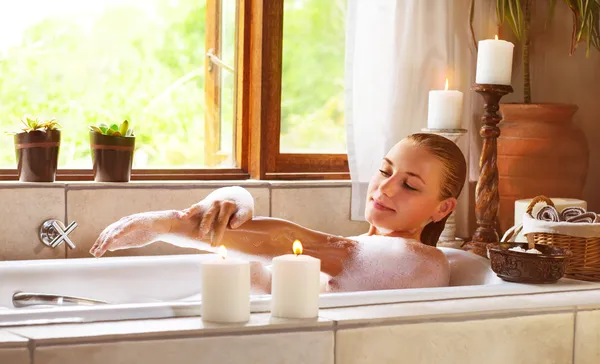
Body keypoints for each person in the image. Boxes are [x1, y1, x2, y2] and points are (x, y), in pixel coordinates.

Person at [90, 133, 467, 293]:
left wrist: (168, 223)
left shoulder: (422, 263)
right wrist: (234, 201)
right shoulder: (355, 254)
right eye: (385, 171)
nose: (385, 188)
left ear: (443, 208)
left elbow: (299, 242)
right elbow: (266, 280)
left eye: (410, 185)